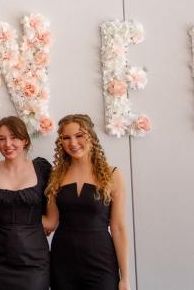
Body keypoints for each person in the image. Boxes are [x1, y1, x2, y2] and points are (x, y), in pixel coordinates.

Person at [45, 114, 130, 290]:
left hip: (101, 262)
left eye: (79, 135)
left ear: (91, 136)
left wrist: (125, 277)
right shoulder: (56, 177)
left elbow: (118, 228)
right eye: (66, 138)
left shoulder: (112, 175)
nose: (73, 143)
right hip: (63, 262)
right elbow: (50, 222)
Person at [0, 116, 52, 290]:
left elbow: (52, 218)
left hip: (35, 261)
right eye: (1, 139)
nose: (8, 144)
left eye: (14, 137)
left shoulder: (42, 169)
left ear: (25, 140)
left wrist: (30, 224)